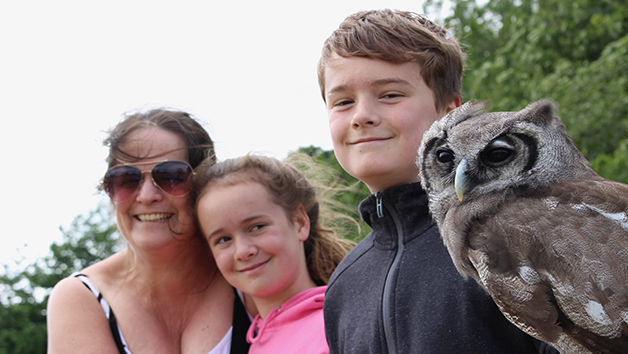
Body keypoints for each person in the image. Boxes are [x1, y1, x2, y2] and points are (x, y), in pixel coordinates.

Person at [317, 9, 559, 354]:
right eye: (343, 102)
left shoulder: (514, 239)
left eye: (390, 95)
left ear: (450, 113)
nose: (362, 116)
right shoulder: (344, 286)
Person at [47, 109, 251, 354]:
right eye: (126, 179)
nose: (146, 196)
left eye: (171, 177)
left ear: (204, 184)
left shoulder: (248, 267)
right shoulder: (83, 299)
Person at [193, 154, 354, 354]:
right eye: (223, 240)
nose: (243, 251)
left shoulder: (342, 327)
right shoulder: (256, 342)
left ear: (300, 223)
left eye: (257, 227)